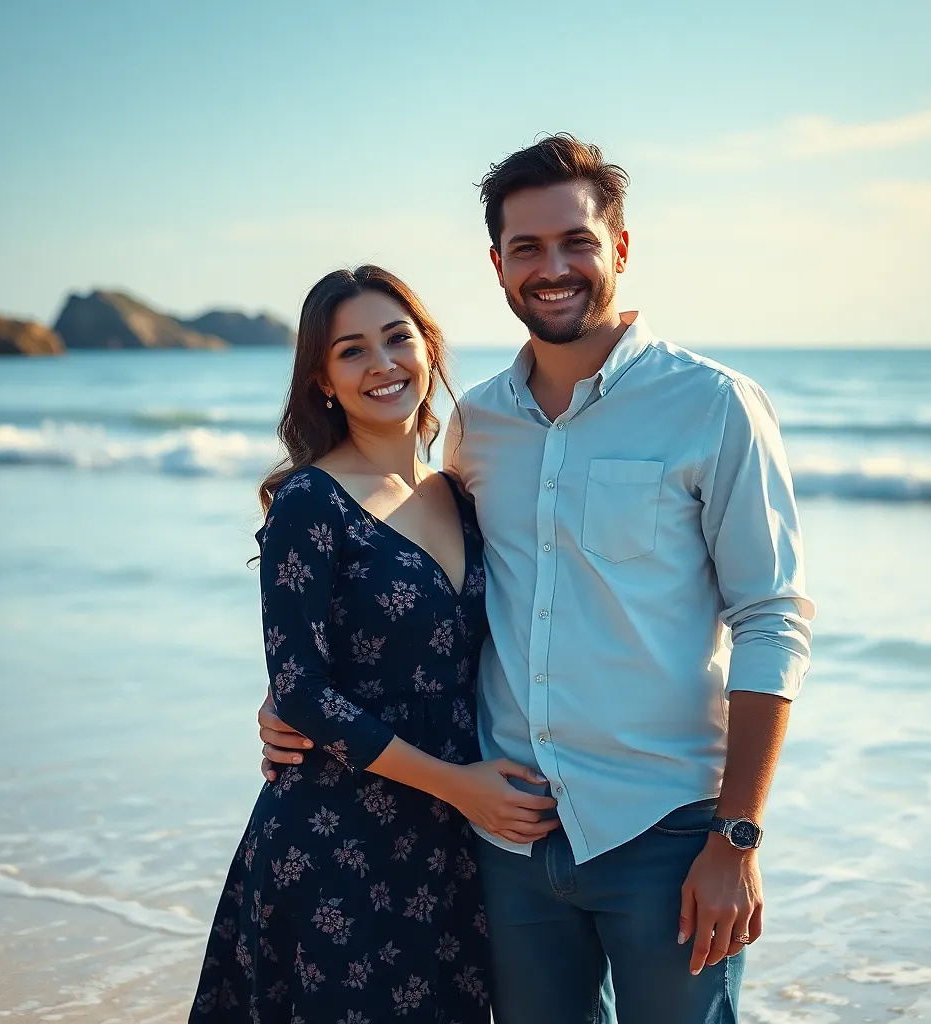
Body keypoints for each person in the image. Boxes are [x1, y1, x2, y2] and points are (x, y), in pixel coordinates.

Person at [259, 135, 816, 1024]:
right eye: (528, 248)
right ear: (498, 265)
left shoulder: (714, 406)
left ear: (620, 250)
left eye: (576, 242)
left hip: (663, 835)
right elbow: (430, 603)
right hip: (504, 840)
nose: (553, 267)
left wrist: (736, 837)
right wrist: (302, 704)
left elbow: (772, 619)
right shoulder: (477, 427)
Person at [190, 265, 560, 1024]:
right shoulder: (308, 502)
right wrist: (461, 785)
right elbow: (300, 690)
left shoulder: (460, 492)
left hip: (450, 848)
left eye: (398, 338)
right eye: (351, 351)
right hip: (337, 842)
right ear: (323, 381)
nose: (383, 364)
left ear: (430, 347)